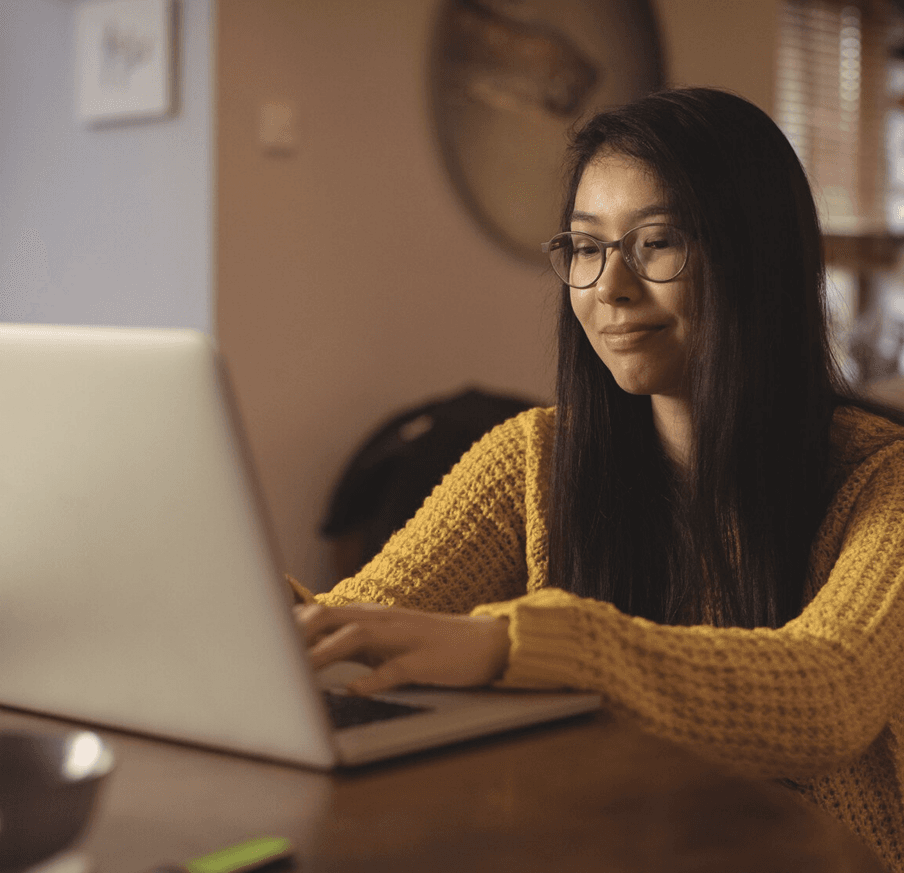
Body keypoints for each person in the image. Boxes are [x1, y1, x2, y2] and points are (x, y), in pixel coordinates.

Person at [292, 87, 904, 871]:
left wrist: (515, 645)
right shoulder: (532, 457)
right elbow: (360, 621)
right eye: (585, 247)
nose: (609, 287)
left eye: (657, 242)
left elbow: (829, 692)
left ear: (759, 256)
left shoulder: (880, 477)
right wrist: (265, 618)